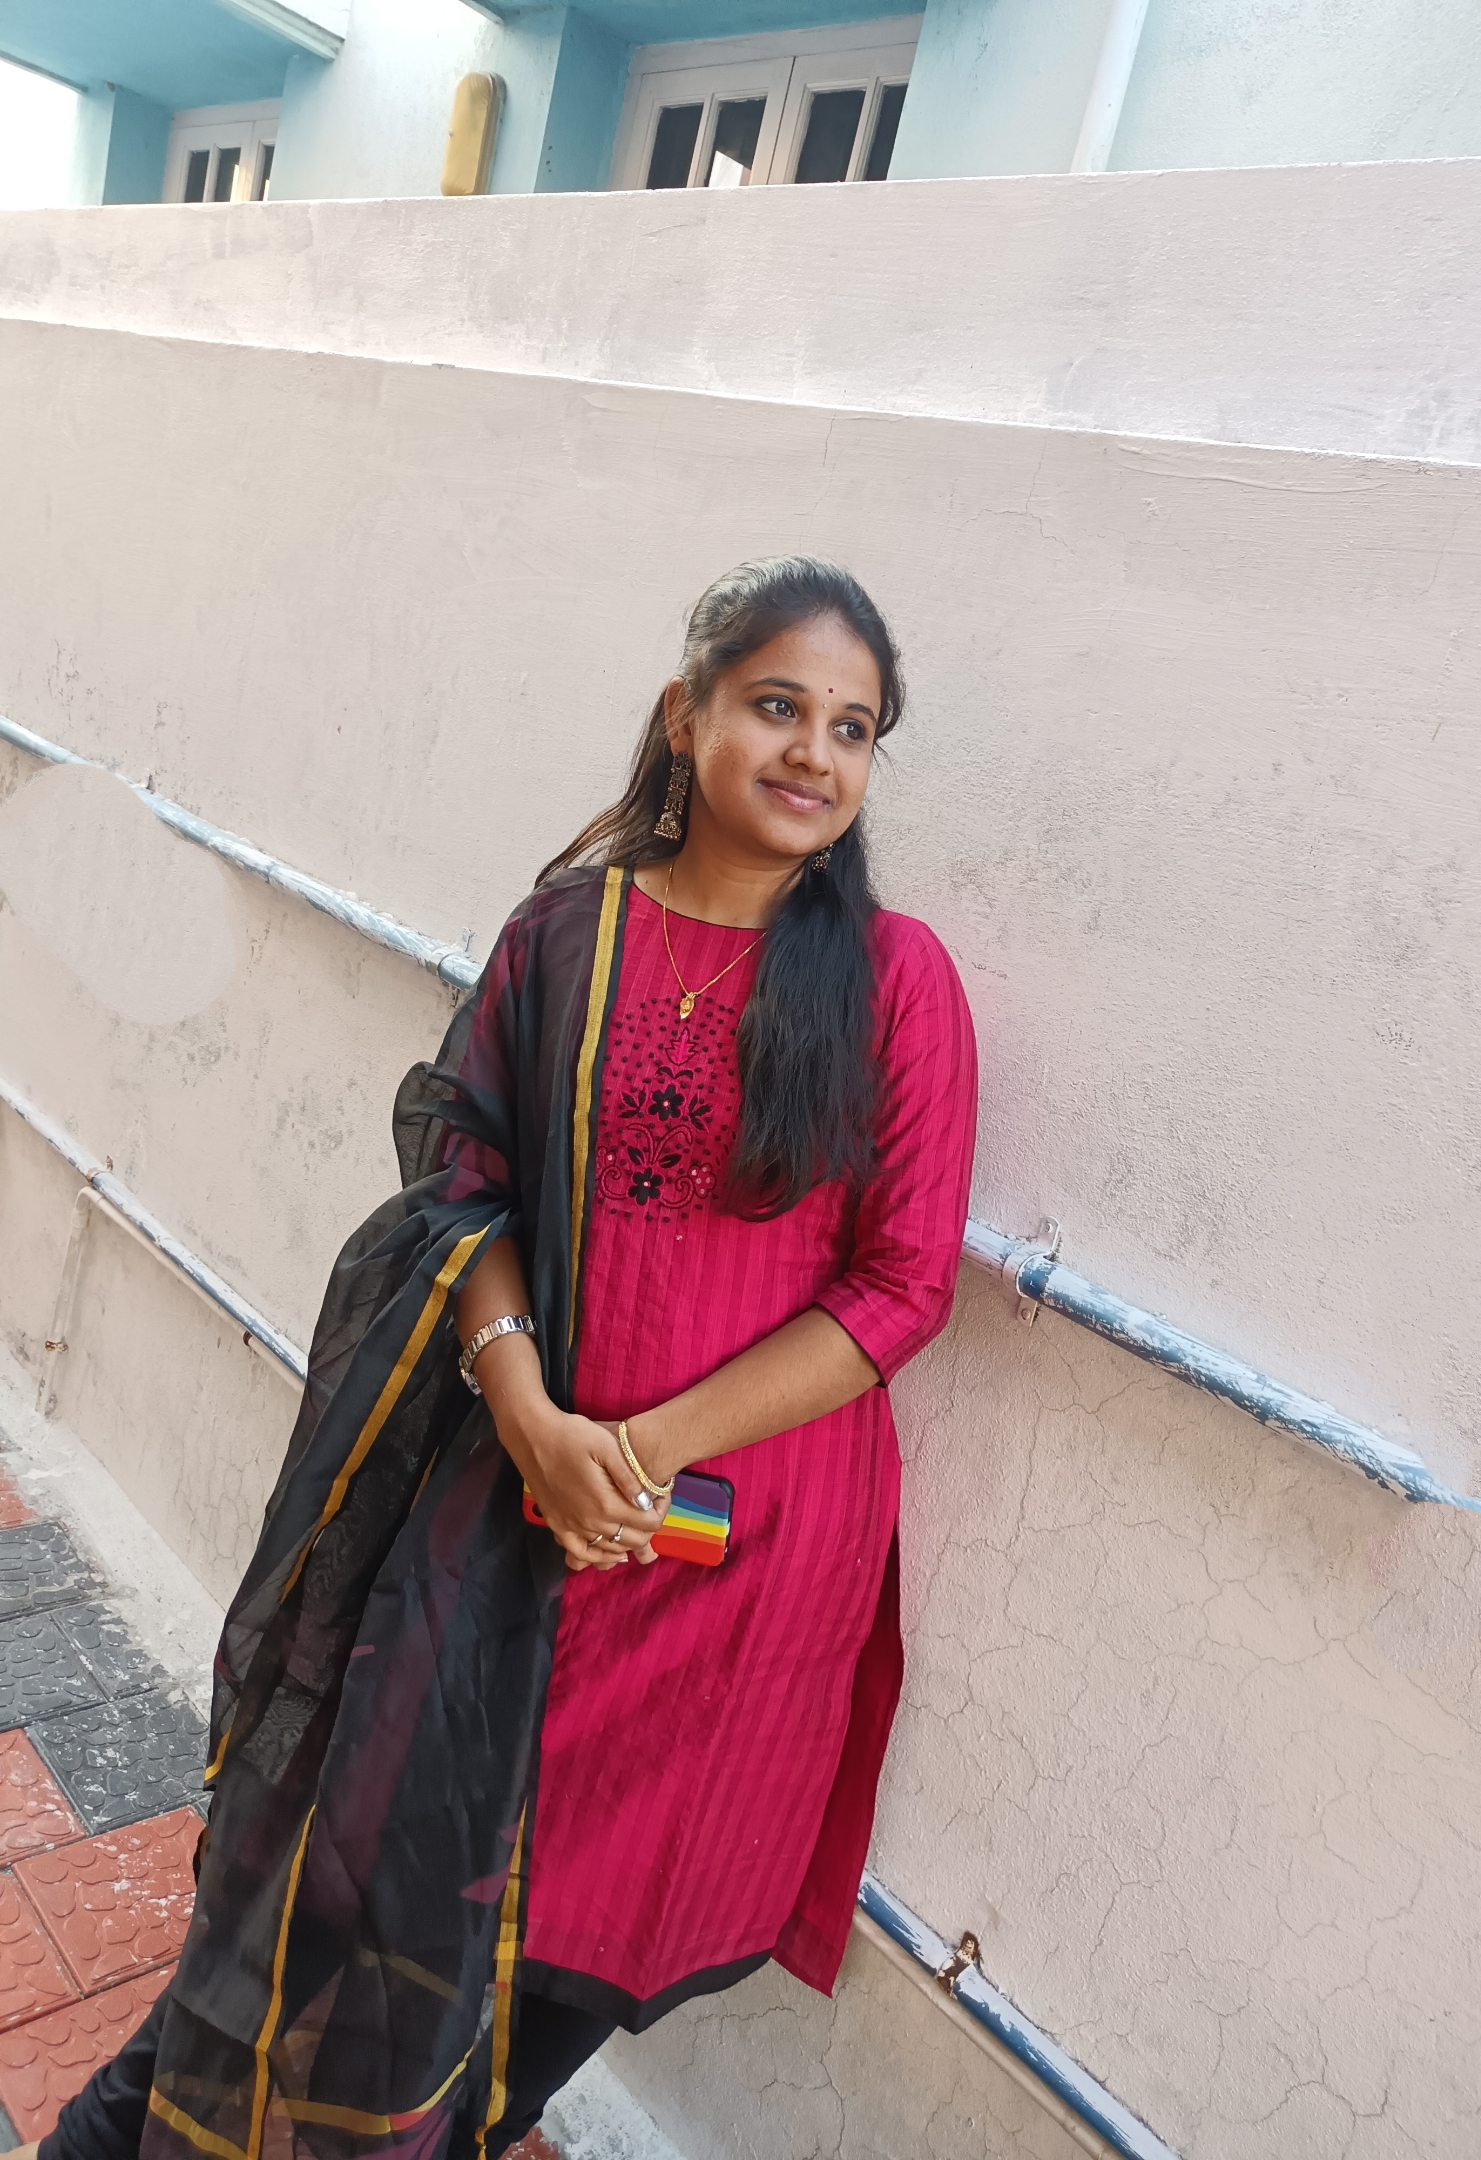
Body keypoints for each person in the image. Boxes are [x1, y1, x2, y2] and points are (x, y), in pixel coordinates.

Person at [36, 556, 978, 2160]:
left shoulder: (899, 984)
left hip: (732, 1568)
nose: (816, 753)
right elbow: (461, 1166)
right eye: (778, 705)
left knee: (537, 2003)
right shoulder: (566, 935)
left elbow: (900, 1290)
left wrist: (640, 1449)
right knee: (317, 1919)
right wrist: (529, 1406)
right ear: (685, 718)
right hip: (501, 1532)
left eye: (855, 727)